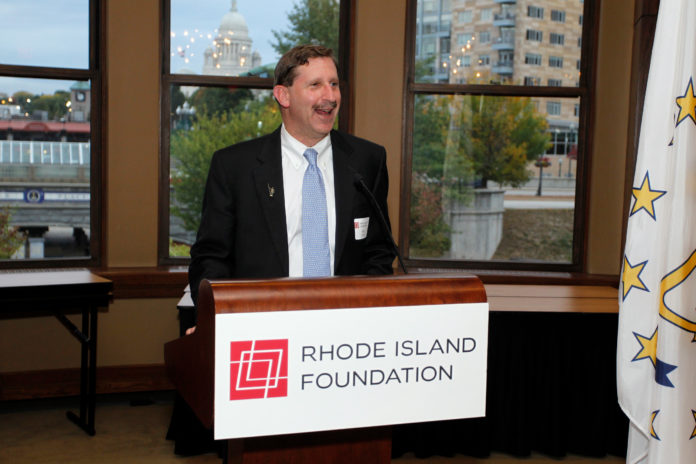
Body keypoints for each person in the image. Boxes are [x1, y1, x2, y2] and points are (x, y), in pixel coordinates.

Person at [168, 44, 396, 456]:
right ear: (283, 95)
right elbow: (211, 256)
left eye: (334, 83)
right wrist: (211, 318)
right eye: (315, 85)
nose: (330, 96)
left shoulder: (367, 160)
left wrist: (372, 313)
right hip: (261, 341)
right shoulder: (233, 166)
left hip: (346, 345)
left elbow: (379, 251)